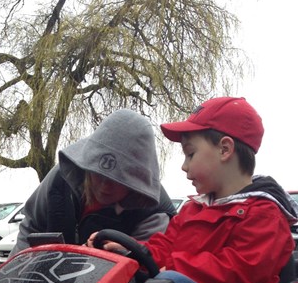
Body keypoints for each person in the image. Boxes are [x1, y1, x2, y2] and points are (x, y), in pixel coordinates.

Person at [89, 96, 298, 283]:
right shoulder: (193, 209)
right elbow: (165, 247)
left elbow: (244, 270)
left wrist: (175, 268)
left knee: (170, 282)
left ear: (225, 150)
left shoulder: (263, 213)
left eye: (190, 154)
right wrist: (129, 249)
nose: (184, 166)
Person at [10, 109, 176, 255]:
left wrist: (124, 253)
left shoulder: (153, 215)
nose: (104, 186)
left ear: (135, 180)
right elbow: (30, 229)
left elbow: (145, 268)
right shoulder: (60, 179)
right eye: (98, 173)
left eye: (116, 179)